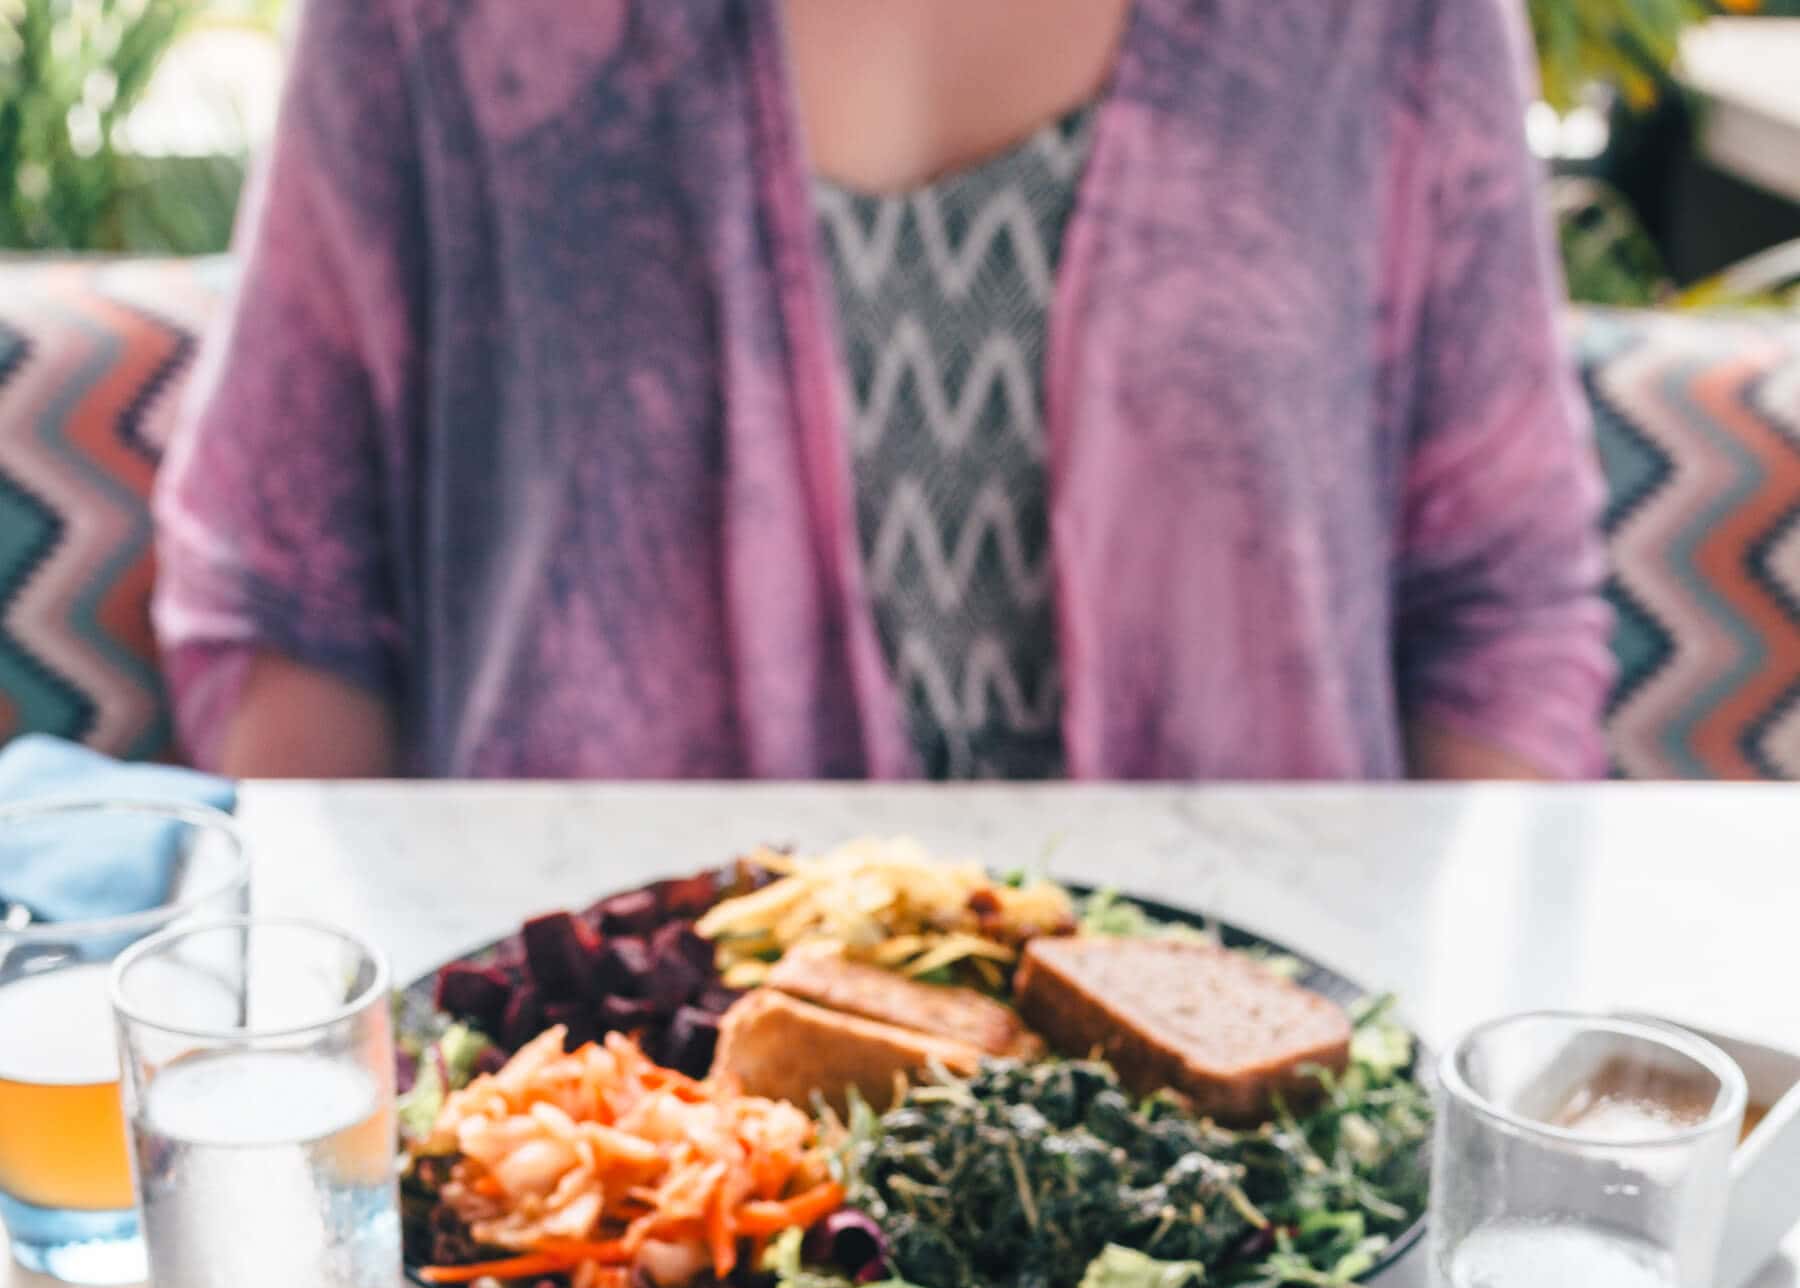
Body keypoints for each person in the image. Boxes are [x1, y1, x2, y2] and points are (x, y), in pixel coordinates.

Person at [153, 0, 1612, 784]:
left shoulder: (1388, 24)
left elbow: (1504, 598)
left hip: (1254, 1178)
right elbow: (283, 595)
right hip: (615, 1163)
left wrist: (1427, 1090)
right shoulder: (439, 25)